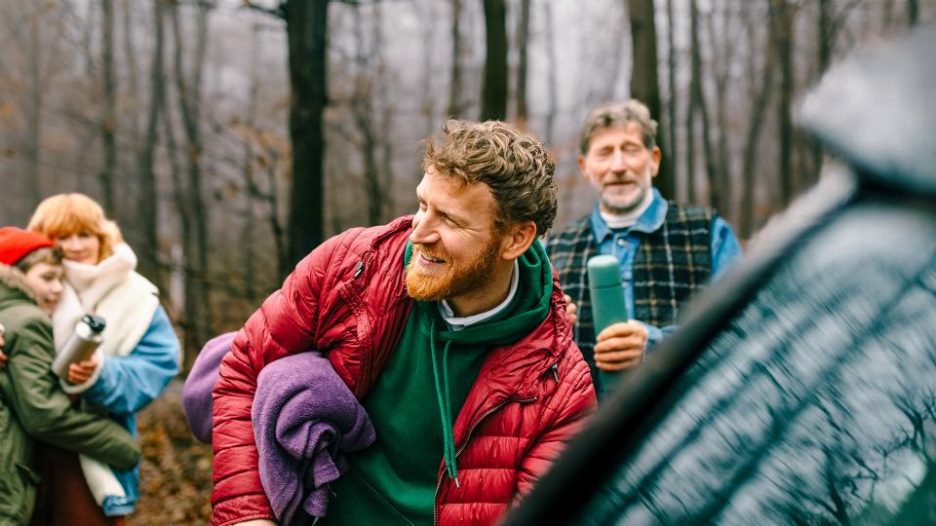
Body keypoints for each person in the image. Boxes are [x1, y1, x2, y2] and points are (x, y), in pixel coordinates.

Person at [211, 120, 597, 526]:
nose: (420, 233)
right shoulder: (352, 268)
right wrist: (248, 516)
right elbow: (242, 373)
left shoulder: (560, 387)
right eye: (423, 205)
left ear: (516, 240)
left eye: (450, 220)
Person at [546, 100, 742, 397]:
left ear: (653, 159)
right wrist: (552, 332)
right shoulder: (554, 250)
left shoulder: (708, 233)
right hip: (586, 436)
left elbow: (743, 331)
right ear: (585, 168)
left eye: (630, 149)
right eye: (605, 153)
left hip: (685, 426)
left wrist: (656, 346)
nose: (618, 166)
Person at [26, 194, 181, 525]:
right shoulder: (23, 282)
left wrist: (100, 374)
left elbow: (160, 364)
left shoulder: (136, 295)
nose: (75, 245)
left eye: (85, 234)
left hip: (93, 448)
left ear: (103, 236)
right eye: (62, 236)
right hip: (20, 441)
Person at [0, 227, 141, 525]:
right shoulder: (28, 320)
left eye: (59, 279)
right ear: (13, 274)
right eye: (47, 277)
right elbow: (43, 414)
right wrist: (122, 446)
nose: (58, 289)